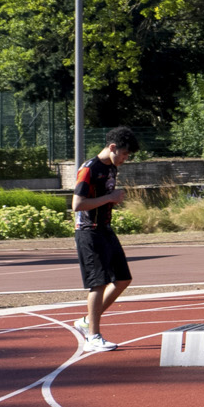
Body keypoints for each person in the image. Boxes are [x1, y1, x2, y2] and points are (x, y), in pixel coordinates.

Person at [70, 128, 137, 354]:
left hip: (105, 229)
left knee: (123, 279)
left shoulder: (111, 167)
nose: (125, 159)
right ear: (112, 148)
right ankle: (93, 337)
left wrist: (110, 200)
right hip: (89, 232)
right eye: (125, 154)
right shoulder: (89, 169)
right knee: (98, 283)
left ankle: (87, 321)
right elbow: (77, 204)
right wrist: (109, 197)